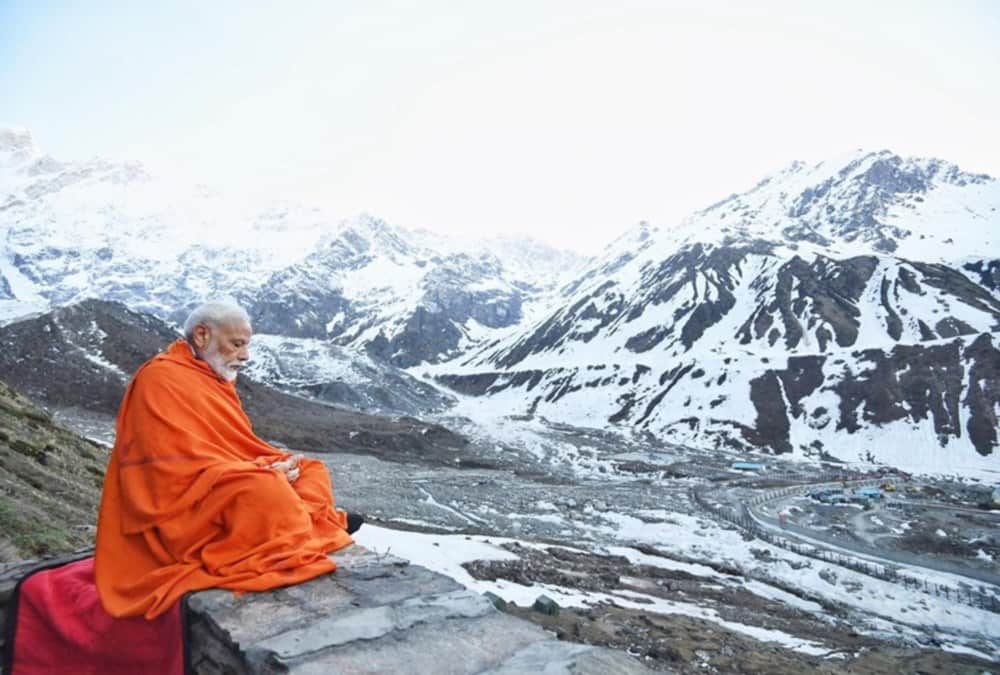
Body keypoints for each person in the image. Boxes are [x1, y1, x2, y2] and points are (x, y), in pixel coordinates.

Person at [94, 301, 361, 619]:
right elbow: (169, 467)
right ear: (203, 335)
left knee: (310, 470)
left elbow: (231, 447)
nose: (245, 356)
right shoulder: (159, 379)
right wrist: (260, 471)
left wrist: (266, 465)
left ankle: (289, 523)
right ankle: (291, 526)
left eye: (246, 345)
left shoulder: (210, 378)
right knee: (263, 490)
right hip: (182, 502)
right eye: (237, 344)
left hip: (220, 479)